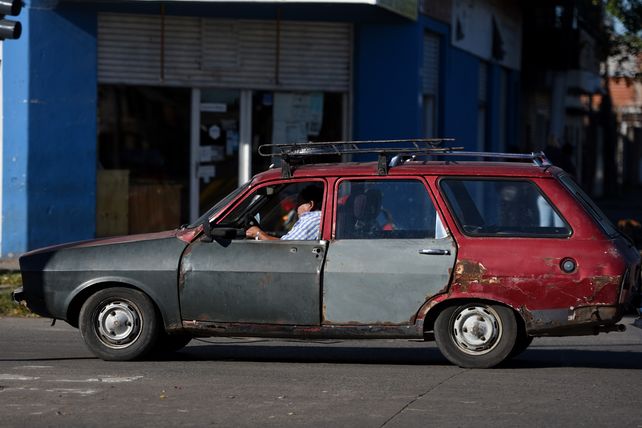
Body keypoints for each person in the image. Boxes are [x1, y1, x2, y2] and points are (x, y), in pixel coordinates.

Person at [245, 184, 323, 241]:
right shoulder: (320, 218)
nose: (296, 209)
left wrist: (258, 233)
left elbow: (286, 246)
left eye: (299, 203)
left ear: (310, 205)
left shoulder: (311, 219)